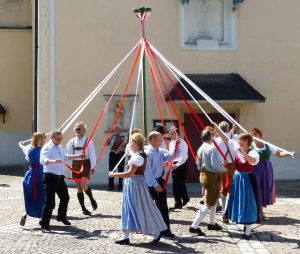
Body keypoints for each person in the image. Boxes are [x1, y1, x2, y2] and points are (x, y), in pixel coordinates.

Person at [109, 133, 167, 245]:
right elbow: (133, 154)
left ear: (136, 143)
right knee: (129, 208)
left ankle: (156, 231)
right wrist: (129, 150)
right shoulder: (139, 154)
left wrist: (114, 174)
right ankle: (126, 235)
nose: (129, 144)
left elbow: (129, 173)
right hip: (133, 185)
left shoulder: (138, 157)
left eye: (131, 142)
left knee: (143, 208)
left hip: (136, 185)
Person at [215, 124, 260, 240]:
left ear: (246, 142)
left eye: (241, 140)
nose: (238, 141)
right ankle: (244, 225)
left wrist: (243, 153)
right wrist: (216, 127)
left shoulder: (253, 152)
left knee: (248, 204)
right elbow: (226, 139)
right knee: (239, 202)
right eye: (239, 140)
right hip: (237, 178)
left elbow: (253, 161)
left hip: (247, 180)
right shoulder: (236, 147)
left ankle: (248, 231)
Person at [40, 129, 81, 233]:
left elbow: (65, 157)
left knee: (65, 197)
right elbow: (42, 160)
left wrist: (76, 156)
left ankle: (61, 217)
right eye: (58, 139)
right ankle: (44, 224)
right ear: (52, 138)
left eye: (61, 139)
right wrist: (53, 161)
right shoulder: (47, 147)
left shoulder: (59, 147)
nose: (60, 140)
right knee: (50, 202)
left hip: (59, 178)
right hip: (49, 177)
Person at [250, 128, 295, 220]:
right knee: (257, 189)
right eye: (252, 134)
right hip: (255, 169)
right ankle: (259, 211)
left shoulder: (267, 144)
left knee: (263, 189)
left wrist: (289, 153)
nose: (254, 136)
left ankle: (261, 211)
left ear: (260, 135)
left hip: (266, 171)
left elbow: (279, 153)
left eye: (255, 134)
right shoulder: (250, 146)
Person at [144, 131, 180, 238]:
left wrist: (176, 145)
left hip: (159, 181)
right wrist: (155, 184)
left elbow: (171, 156)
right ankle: (150, 229)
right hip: (150, 183)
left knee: (163, 206)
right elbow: (147, 171)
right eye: (160, 139)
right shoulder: (147, 153)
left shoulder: (160, 151)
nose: (162, 141)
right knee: (149, 207)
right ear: (153, 140)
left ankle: (165, 230)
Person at [189, 129, 224, 236]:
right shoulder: (211, 147)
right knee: (209, 202)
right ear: (211, 137)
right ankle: (194, 226)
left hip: (204, 175)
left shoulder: (200, 148)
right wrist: (225, 169)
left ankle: (211, 223)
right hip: (211, 176)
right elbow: (215, 164)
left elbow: (197, 163)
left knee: (213, 200)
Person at [65, 121, 97, 215]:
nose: (77, 131)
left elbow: (92, 155)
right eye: (76, 129)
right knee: (79, 187)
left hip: (85, 163)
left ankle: (91, 199)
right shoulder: (71, 141)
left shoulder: (89, 141)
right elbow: (66, 153)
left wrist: (93, 167)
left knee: (83, 184)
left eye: (79, 129)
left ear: (84, 130)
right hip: (75, 163)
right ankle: (83, 208)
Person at [18, 132, 46, 226]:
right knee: (42, 195)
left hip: (30, 175)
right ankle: (42, 217)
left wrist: (20, 143)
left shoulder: (29, 148)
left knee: (30, 196)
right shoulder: (44, 150)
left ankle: (25, 213)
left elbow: (22, 147)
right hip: (41, 174)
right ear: (41, 139)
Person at [215, 121, 239, 223]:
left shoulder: (216, 140)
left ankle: (224, 212)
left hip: (222, 166)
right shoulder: (234, 138)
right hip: (233, 166)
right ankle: (231, 211)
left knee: (223, 189)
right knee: (232, 189)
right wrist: (233, 130)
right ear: (228, 128)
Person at [169, 126, 190, 209]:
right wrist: (169, 162)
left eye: (171, 134)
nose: (170, 136)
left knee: (178, 183)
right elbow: (171, 154)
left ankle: (178, 202)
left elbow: (183, 157)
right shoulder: (171, 143)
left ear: (175, 133)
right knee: (177, 184)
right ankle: (183, 199)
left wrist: (177, 165)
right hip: (174, 163)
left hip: (181, 164)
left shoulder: (182, 143)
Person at [107, 125, 126, 191]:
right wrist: (108, 141)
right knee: (111, 170)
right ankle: (110, 186)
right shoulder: (112, 136)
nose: (116, 130)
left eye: (117, 129)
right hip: (112, 154)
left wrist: (121, 149)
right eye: (115, 129)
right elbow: (108, 144)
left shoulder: (124, 137)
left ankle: (120, 186)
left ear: (120, 130)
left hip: (120, 154)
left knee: (121, 170)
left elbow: (125, 146)